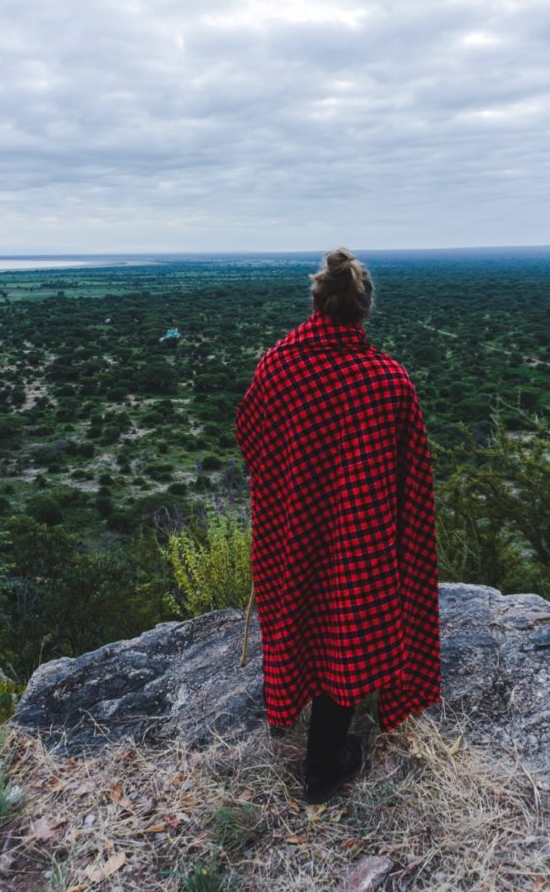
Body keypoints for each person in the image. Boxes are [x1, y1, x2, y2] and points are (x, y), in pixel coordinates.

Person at [235, 247, 442, 804]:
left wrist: (293, 488)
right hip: (360, 544)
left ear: (317, 303)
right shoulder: (388, 380)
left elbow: (251, 437)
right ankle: (324, 767)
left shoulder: (278, 366)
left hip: (295, 534)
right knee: (343, 636)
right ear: (363, 310)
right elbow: (412, 480)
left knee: (306, 623)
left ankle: (321, 759)